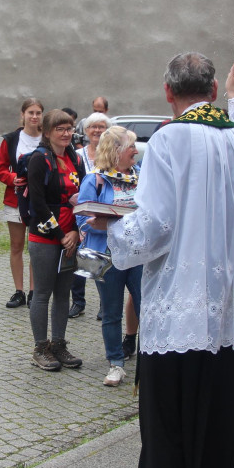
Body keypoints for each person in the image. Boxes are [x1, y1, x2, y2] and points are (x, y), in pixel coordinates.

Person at [102, 52, 234, 468]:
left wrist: (111, 231)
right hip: (224, 300)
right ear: (213, 93)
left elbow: (155, 225)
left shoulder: (169, 138)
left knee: (168, 405)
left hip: (180, 294)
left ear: (168, 93)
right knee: (207, 397)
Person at [76, 126, 140, 387]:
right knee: (111, 312)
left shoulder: (141, 177)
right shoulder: (95, 179)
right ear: (115, 152)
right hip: (107, 257)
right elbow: (81, 218)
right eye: (130, 147)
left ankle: (152, 357)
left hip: (138, 254)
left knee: (147, 305)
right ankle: (116, 364)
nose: (136, 151)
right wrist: (97, 224)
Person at [26, 109, 85, 372]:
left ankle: (58, 345)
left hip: (70, 237)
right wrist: (61, 235)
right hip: (45, 237)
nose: (66, 133)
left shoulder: (75, 158)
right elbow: (37, 202)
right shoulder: (39, 160)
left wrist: (76, 232)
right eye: (60, 129)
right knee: (42, 293)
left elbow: (84, 196)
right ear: (47, 133)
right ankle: (41, 348)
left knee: (63, 294)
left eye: (69, 128)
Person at [0, 97, 43, 308]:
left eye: (38, 113)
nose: (34, 117)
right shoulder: (11, 139)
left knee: (36, 246)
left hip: (40, 200)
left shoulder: (47, 139)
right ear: (22, 115)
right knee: (16, 245)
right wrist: (11, 178)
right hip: (15, 198)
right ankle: (18, 291)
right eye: (30, 113)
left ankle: (34, 291)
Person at [69, 111, 110, 319]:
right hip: (80, 212)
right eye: (93, 127)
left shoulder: (111, 155)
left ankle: (105, 304)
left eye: (101, 127)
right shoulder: (77, 155)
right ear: (86, 131)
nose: (97, 130)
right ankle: (78, 301)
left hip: (103, 214)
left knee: (103, 259)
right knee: (80, 257)